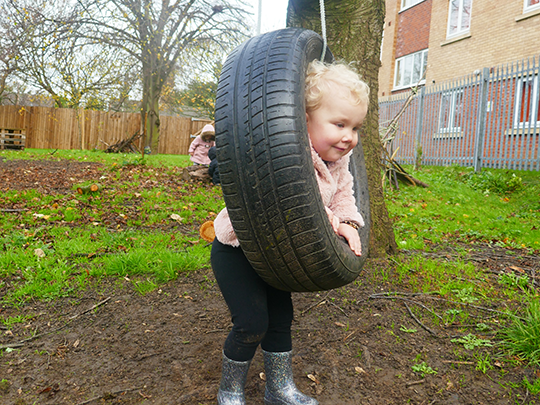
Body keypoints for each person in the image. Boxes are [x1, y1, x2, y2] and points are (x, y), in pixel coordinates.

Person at [211, 59, 369, 405]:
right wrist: (330, 221)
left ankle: (279, 388)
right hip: (238, 249)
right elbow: (288, 196)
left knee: (281, 320)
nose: (349, 137)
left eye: (356, 127)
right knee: (252, 322)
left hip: (279, 254)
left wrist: (348, 222)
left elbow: (344, 195)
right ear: (304, 119)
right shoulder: (284, 151)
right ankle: (230, 391)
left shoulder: (338, 161)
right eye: (339, 123)